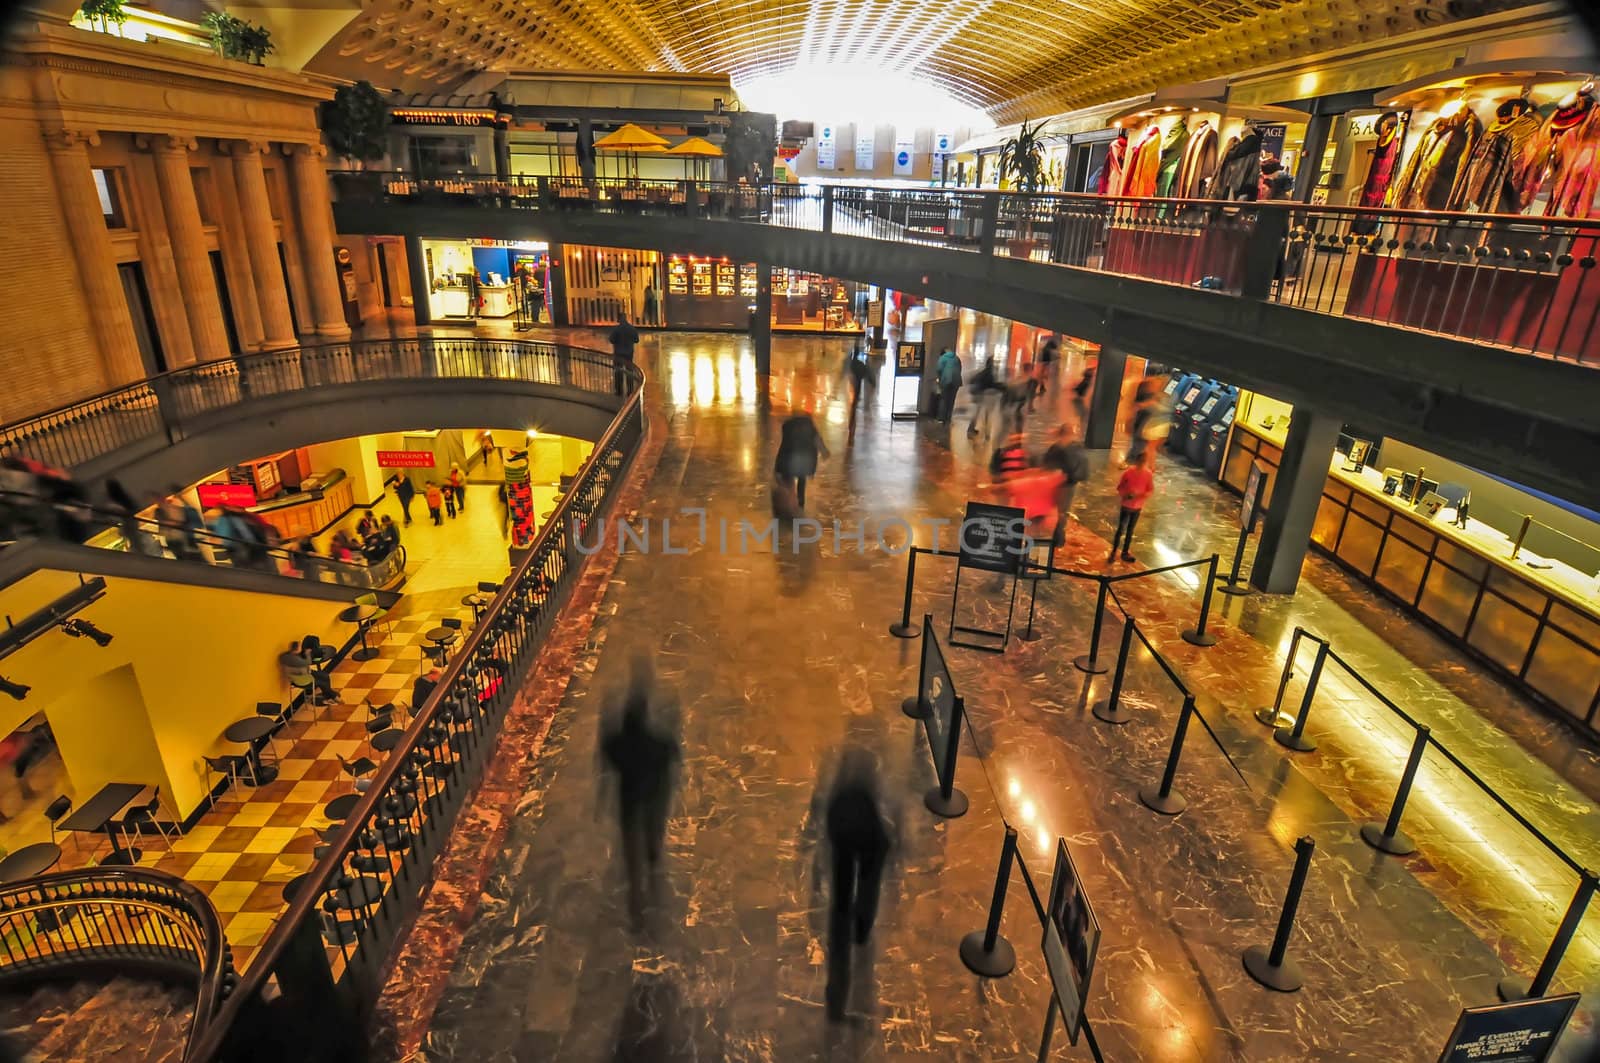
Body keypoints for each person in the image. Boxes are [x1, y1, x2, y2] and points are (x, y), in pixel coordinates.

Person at [598, 656, 681, 925]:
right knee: (653, 833)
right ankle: (654, 856)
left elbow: (606, 758)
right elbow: (672, 755)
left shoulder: (617, 743)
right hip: (654, 798)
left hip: (630, 803)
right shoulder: (658, 744)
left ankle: (636, 900)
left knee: (632, 853)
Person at [821, 747, 893, 1022]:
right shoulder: (872, 763)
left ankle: (836, 1000)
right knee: (867, 884)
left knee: (840, 905)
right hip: (864, 830)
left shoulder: (845, 762)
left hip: (840, 822)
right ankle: (862, 929)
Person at [1042, 425, 1091, 541]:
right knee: (1059, 511)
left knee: (1060, 512)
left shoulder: (1065, 449)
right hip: (1061, 485)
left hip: (1064, 485)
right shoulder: (1069, 449)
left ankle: (1057, 537)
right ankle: (1056, 536)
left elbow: (1047, 464)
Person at [775, 410, 830, 510]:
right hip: (805, 461)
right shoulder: (810, 427)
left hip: (790, 460)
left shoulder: (788, 427)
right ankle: (800, 502)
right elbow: (818, 441)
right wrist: (824, 452)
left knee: (788, 479)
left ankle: (789, 502)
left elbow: (784, 447)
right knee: (802, 479)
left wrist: (778, 467)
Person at [1111, 451, 1155, 564]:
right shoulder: (1128, 473)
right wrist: (1126, 494)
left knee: (1130, 530)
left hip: (1137, 507)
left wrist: (1140, 495)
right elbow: (1120, 487)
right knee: (1121, 529)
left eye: (1143, 462)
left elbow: (1150, 490)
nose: (1142, 464)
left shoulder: (1148, 474)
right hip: (1126, 505)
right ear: (1137, 461)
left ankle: (1124, 552)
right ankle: (1114, 551)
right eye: (1140, 461)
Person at [965, 357, 1002, 439]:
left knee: (978, 412)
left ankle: (972, 429)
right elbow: (991, 384)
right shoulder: (989, 373)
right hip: (979, 394)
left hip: (977, 393)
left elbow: (972, 380)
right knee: (979, 413)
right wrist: (1001, 387)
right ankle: (972, 430)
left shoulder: (984, 372)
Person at [609, 313, 640, 396]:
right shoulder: (632, 328)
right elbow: (637, 340)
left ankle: (619, 391)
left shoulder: (616, 329)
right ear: (626, 318)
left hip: (618, 354)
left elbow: (611, 340)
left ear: (619, 319)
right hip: (629, 354)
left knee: (618, 372)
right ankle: (630, 390)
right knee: (629, 371)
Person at [935, 348, 962, 425]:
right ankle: (948, 418)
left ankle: (941, 418)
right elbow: (960, 369)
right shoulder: (957, 358)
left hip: (946, 381)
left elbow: (939, 369)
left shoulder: (942, 358)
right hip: (956, 381)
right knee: (951, 400)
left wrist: (940, 380)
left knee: (944, 399)